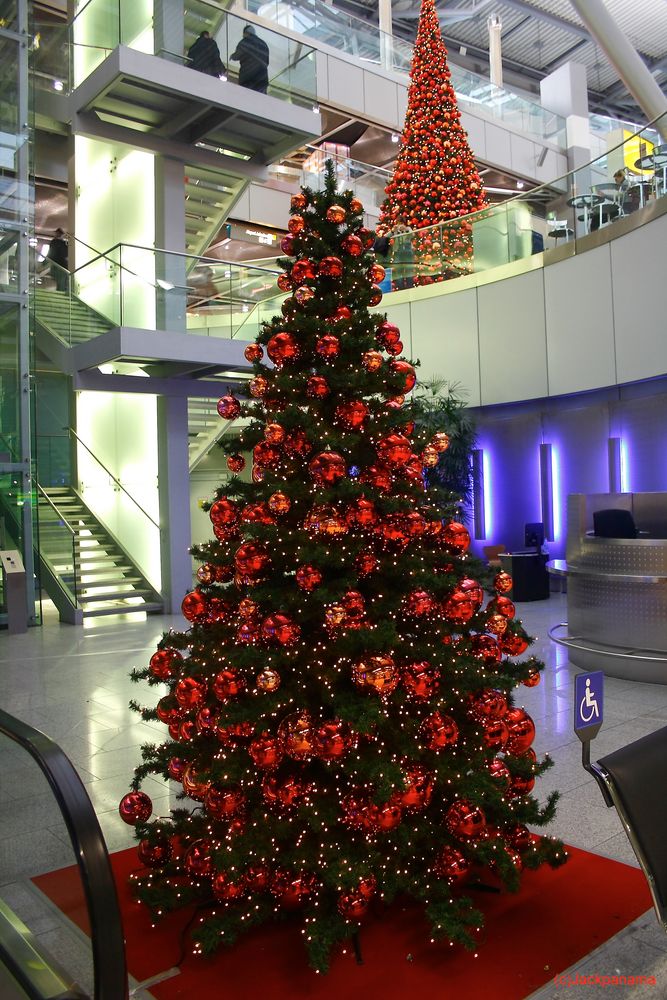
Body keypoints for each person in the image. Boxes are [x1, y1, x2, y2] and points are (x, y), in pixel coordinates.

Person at [230, 25, 269, 94]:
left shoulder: (245, 41)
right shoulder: (263, 44)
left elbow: (238, 55)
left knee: (246, 98)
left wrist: (232, 56)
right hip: (262, 78)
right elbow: (267, 62)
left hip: (248, 77)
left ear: (246, 33)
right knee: (260, 101)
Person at [390, 215, 414, 290]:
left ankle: (410, 287)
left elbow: (412, 234)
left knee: (409, 270)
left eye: (401, 223)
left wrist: (406, 229)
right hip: (398, 252)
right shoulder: (395, 230)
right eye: (398, 223)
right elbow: (386, 236)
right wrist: (393, 231)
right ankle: (400, 288)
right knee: (398, 271)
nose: (400, 225)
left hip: (407, 252)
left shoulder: (408, 229)